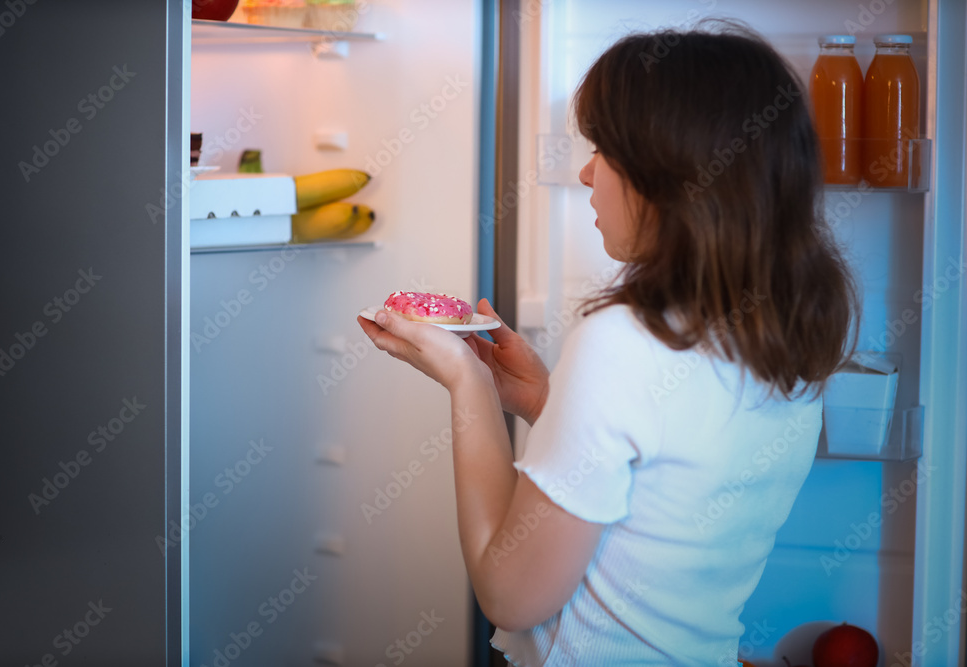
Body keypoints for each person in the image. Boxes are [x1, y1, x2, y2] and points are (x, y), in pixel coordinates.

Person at [357, 21, 859, 667]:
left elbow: (509, 595)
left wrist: (469, 385)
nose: (588, 172)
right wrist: (544, 397)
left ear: (670, 173)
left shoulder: (625, 339)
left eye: (605, 150)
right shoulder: (788, 328)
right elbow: (664, 467)